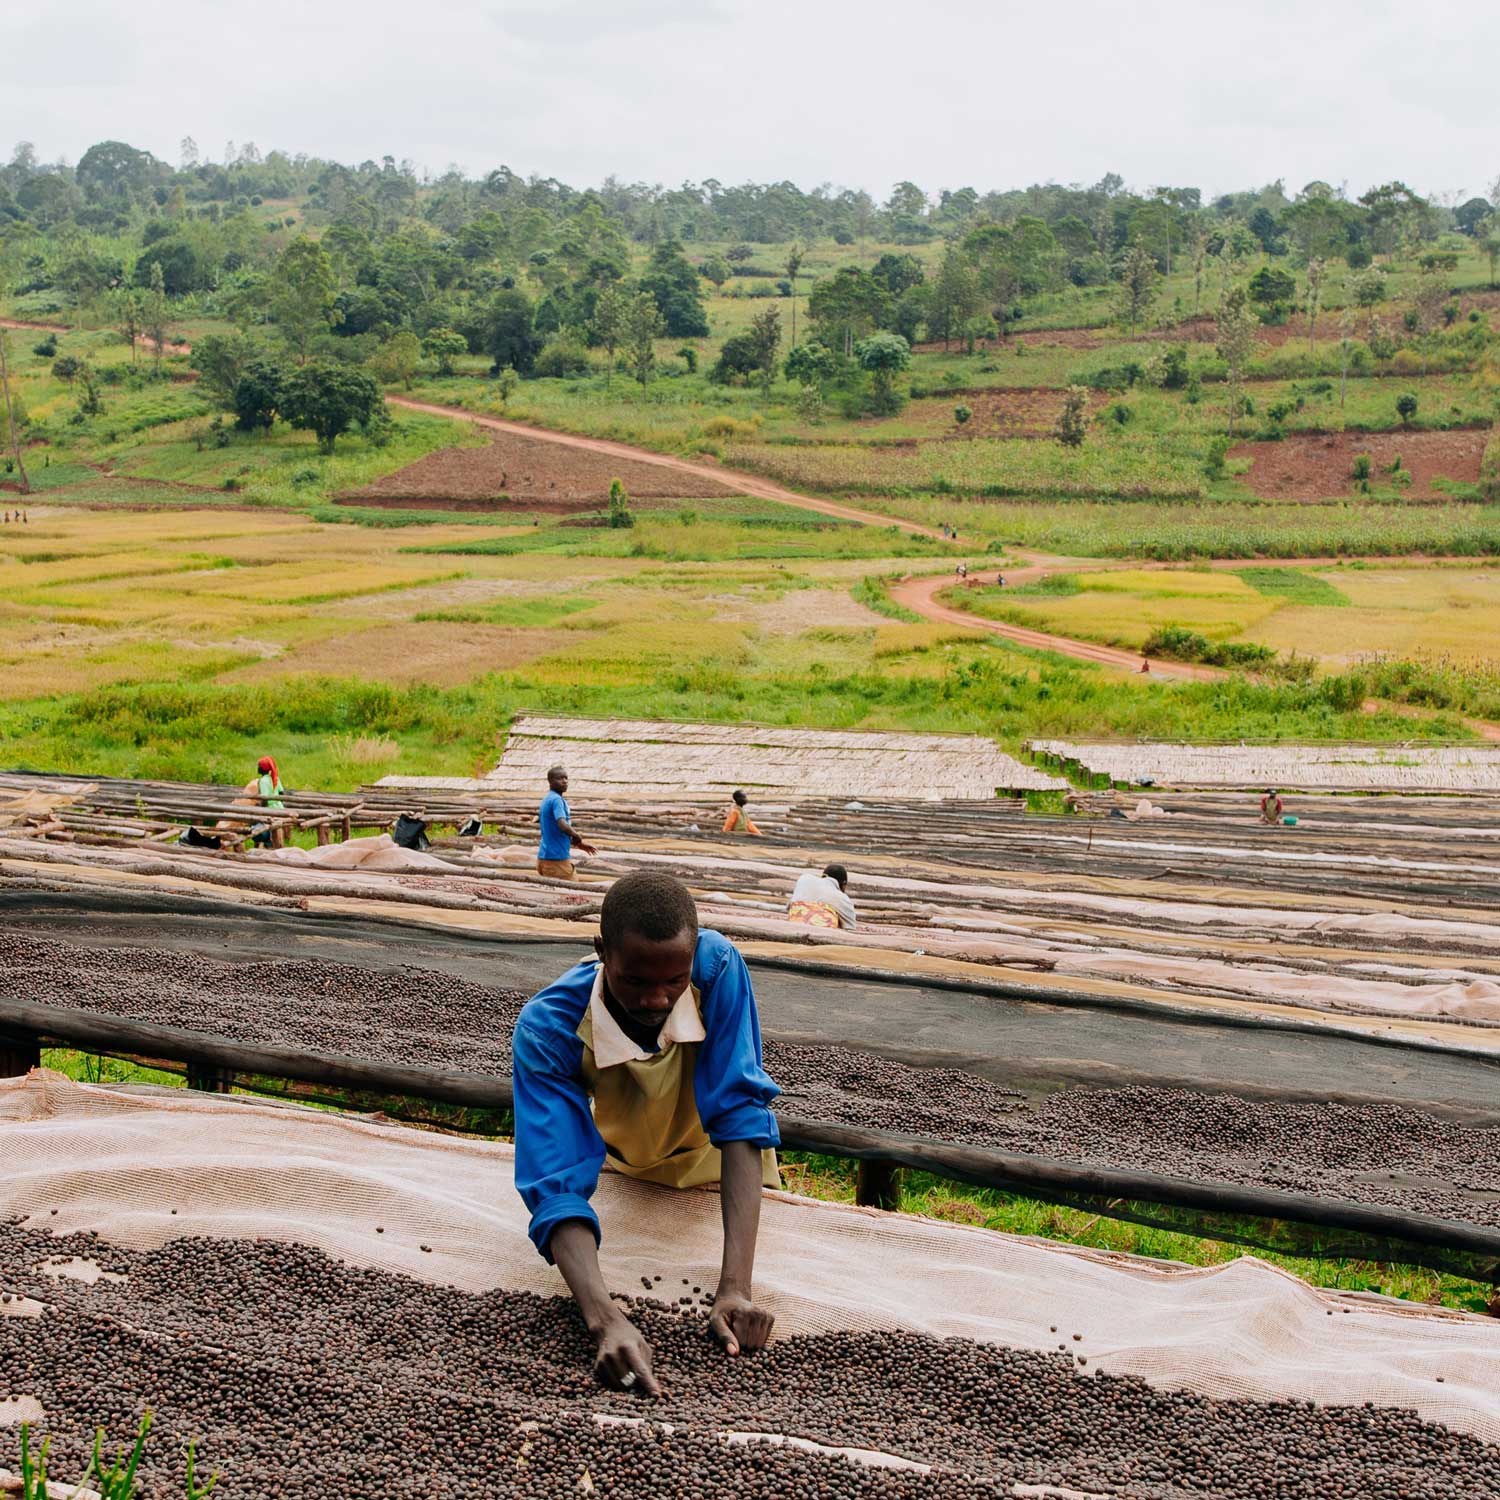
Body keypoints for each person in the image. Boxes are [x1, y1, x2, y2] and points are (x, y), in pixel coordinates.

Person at [512, 871, 781, 1394]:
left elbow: (741, 1113)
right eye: (635, 981)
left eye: (674, 982)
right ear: (602, 953)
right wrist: (603, 1318)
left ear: (691, 959)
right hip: (625, 1164)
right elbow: (556, 1179)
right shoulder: (548, 1029)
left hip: (716, 1165)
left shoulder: (717, 967)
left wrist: (735, 1290)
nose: (658, 1000)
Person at [538, 765, 595, 880]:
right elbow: (561, 823)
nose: (564, 781)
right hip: (556, 861)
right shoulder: (556, 800)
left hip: (546, 857)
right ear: (550, 781)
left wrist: (578, 844)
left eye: (566, 778)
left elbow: (554, 829)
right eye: (559, 778)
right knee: (573, 894)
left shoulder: (549, 798)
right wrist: (576, 835)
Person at [787, 863, 857, 929]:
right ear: (844, 884)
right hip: (822, 930)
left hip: (795, 920)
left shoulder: (804, 878)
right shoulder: (842, 898)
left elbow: (789, 906)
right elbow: (851, 927)